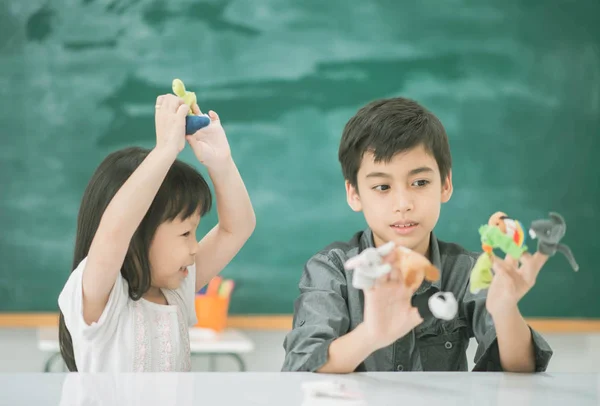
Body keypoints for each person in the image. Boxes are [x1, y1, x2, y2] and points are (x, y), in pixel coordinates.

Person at [282, 97, 553, 373]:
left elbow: (522, 371)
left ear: (445, 185)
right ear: (354, 194)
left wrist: (506, 309)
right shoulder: (332, 269)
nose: (403, 203)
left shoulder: (468, 272)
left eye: (420, 182)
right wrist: (372, 335)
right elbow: (302, 366)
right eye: (382, 187)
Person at [58, 94, 255, 372]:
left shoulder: (176, 291)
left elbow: (237, 228)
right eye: (186, 233)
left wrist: (221, 162)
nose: (195, 247)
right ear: (137, 233)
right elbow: (114, 231)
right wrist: (164, 151)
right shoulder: (102, 298)